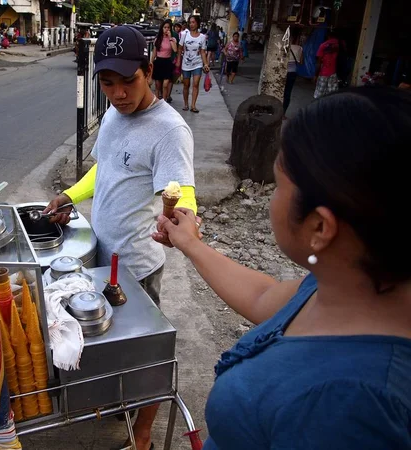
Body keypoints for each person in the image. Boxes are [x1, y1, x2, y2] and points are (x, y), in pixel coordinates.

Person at [154, 86, 411, 449]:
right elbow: (266, 296)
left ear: (320, 227)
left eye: (278, 185)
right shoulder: (350, 283)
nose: (271, 199)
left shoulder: (349, 403)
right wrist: (191, 244)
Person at [44, 25, 197, 450]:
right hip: (100, 255)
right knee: (106, 342)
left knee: (146, 357)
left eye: (128, 81)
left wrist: (183, 224)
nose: (119, 93)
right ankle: (115, 401)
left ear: (149, 71)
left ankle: (143, 436)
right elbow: (105, 168)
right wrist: (70, 195)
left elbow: (181, 192)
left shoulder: (169, 130)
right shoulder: (114, 114)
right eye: (109, 84)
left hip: (137, 269)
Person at [178, 15, 209, 113]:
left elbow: (203, 51)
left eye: (193, 22)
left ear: (197, 23)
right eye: (190, 22)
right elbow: (180, 48)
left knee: (195, 84)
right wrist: (178, 60)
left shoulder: (202, 37)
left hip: (197, 63)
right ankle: (186, 104)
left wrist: (206, 64)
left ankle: (193, 105)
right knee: (186, 85)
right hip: (186, 63)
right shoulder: (184, 34)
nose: (191, 24)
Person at [151, 19, 178, 101]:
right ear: (162, 28)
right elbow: (154, 53)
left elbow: (175, 49)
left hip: (167, 62)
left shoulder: (173, 39)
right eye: (165, 27)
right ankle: (157, 102)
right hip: (159, 62)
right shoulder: (158, 39)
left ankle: (164, 101)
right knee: (157, 85)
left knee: (165, 84)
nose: (166, 29)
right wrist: (151, 63)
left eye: (168, 28)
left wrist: (170, 38)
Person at [283, 29, 304, 116]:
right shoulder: (300, 48)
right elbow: (301, 62)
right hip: (292, 73)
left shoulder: (285, 46)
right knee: (288, 93)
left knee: (280, 92)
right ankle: (283, 114)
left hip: (284, 72)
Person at [314, 29, 340, 98]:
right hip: (333, 73)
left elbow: (318, 62)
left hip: (324, 73)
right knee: (332, 93)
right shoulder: (338, 45)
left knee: (319, 94)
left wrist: (315, 75)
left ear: (328, 36)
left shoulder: (323, 45)